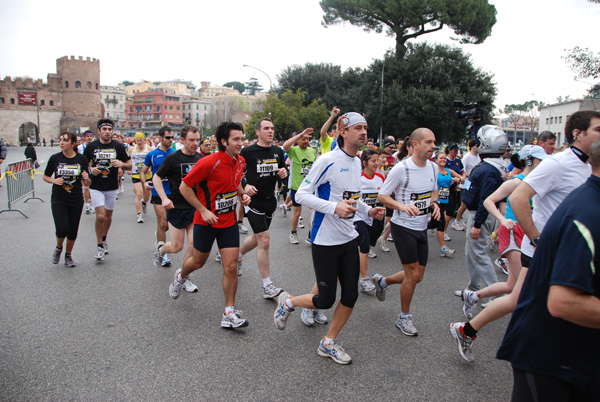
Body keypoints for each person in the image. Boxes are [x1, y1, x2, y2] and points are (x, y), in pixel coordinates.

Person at [449, 111, 600, 364]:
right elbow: (518, 198)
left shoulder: (587, 165)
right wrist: (537, 239)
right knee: (541, 301)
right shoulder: (557, 163)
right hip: (547, 249)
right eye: (598, 129)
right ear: (578, 133)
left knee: (519, 296)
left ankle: (468, 326)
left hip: (570, 249)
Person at [273, 112, 385, 365]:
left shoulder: (357, 162)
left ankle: (328, 342)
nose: (364, 132)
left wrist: (369, 210)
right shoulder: (328, 160)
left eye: (366, 127)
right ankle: (288, 302)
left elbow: (352, 199)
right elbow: (301, 195)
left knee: (351, 296)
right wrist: (333, 208)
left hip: (349, 238)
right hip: (325, 240)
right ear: (343, 131)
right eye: (358, 128)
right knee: (325, 299)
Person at [496, 138, 600, 401]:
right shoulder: (588, 213)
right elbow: (563, 302)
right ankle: (468, 324)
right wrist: (535, 238)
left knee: (514, 293)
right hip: (549, 357)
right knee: (513, 293)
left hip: (579, 353)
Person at [449, 146, 547, 363]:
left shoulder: (542, 182)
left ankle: (473, 296)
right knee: (518, 293)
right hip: (514, 233)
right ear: (529, 161)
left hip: (530, 235)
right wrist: (503, 220)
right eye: (541, 159)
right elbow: (488, 200)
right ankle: (470, 329)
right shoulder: (516, 181)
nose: (546, 163)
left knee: (514, 286)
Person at [164, 122, 251, 328]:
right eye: (236, 139)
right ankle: (181, 276)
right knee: (197, 262)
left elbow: (236, 180)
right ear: (224, 141)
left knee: (230, 265)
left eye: (242, 138)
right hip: (205, 222)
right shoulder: (208, 162)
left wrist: (243, 194)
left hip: (228, 221)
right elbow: (185, 188)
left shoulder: (240, 161)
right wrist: (203, 210)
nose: (241, 143)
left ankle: (228, 312)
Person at [370, 128, 440, 336]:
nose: (433, 146)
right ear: (415, 144)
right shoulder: (401, 169)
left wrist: (434, 203)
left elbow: (433, 190)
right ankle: (404, 317)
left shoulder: (433, 167)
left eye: (434, 141)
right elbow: (383, 196)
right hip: (403, 228)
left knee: (418, 276)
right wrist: (402, 207)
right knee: (411, 275)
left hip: (421, 226)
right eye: (428, 142)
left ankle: (383, 282)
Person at [238, 118, 287, 298]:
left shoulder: (277, 151)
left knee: (256, 238)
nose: (270, 131)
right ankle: (267, 286)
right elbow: (236, 173)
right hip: (253, 201)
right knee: (264, 240)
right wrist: (245, 186)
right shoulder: (248, 151)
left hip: (270, 201)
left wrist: (284, 173)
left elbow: (281, 172)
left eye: (272, 128)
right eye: (266, 128)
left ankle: (237, 256)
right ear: (257, 132)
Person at [458, 126, 508, 302]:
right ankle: (473, 288)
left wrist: (477, 225)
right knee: (470, 253)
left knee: (478, 254)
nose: (477, 145)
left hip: (479, 216)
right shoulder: (490, 165)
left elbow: (485, 199)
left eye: (479, 143)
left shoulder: (488, 169)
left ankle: (495, 296)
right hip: (477, 214)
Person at [152, 126, 202, 293]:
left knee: (194, 245)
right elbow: (156, 177)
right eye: (191, 140)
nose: (195, 143)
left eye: (197, 140)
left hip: (195, 208)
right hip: (177, 207)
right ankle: (160, 249)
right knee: (176, 247)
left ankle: (183, 276)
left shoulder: (200, 158)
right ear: (182, 140)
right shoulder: (173, 158)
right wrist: (164, 198)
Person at [83, 119, 132, 261]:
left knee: (108, 216)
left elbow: (129, 165)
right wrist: (91, 170)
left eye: (109, 130)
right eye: (104, 129)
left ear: (112, 131)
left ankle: (104, 238)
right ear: (99, 131)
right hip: (96, 186)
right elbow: (83, 165)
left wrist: (121, 163)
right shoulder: (91, 146)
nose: (107, 132)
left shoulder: (118, 146)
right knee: (100, 216)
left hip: (111, 186)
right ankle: (99, 246)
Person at [43, 132, 90, 267]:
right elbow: (45, 176)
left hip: (75, 199)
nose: (61, 143)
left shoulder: (82, 159)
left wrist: (86, 179)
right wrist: (54, 180)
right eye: (60, 140)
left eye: (65, 140)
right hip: (59, 198)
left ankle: (68, 255)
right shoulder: (55, 158)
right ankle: (58, 247)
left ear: (73, 143)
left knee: (73, 230)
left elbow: (87, 183)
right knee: (62, 228)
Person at [141, 126, 174, 267]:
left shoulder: (175, 153)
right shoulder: (152, 155)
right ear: (160, 138)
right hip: (157, 192)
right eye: (168, 137)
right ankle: (162, 253)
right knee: (162, 222)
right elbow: (143, 171)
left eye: (172, 137)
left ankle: (159, 235)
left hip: (172, 193)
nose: (171, 140)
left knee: (168, 224)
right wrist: (144, 183)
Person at [354, 149, 385, 291]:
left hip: (374, 218)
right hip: (359, 217)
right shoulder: (357, 178)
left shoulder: (380, 177)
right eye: (373, 160)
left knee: (365, 245)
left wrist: (380, 209)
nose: (377, 163)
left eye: (377, 160)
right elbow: (356, 200)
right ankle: (364, 279)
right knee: (364, 246)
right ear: (364, 162)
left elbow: (383, 196)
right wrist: (369, 210)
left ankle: (353, 256)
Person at [282, 128, 316, 244]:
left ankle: (311, 235)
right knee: (297, 213)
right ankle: (293, 232)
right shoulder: (293, 151)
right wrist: (300, 134)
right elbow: (285, 145)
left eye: (307, 139)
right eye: (303, 139)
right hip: (297, 187)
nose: (306, 141)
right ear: (298, 140)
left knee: (313, 211)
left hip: (310, 188)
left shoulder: (312, 151)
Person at [433, 151, 460, 256]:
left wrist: (456, 179)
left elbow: (461, 178)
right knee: (441, 223)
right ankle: (443, 248)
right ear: (436, 160)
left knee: (434, 223)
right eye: (440, 158)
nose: (443, 160)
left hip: (446, 198)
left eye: (444, 158)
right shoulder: (434, 171)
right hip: (435, 200)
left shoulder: (449, 171)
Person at [129, 132, 152, 223]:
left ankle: (144, 203)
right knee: (138, 193)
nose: (139, 142)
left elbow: (153, 161)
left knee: (147, 195)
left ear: (144, 140)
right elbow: (129, 160)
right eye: (137, 141)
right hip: (136, 173)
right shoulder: (131, 149)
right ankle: (139, 214)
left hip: (147, 175)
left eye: (141, 140)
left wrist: (149, 168)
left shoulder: (149, 149)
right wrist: (128, 167)